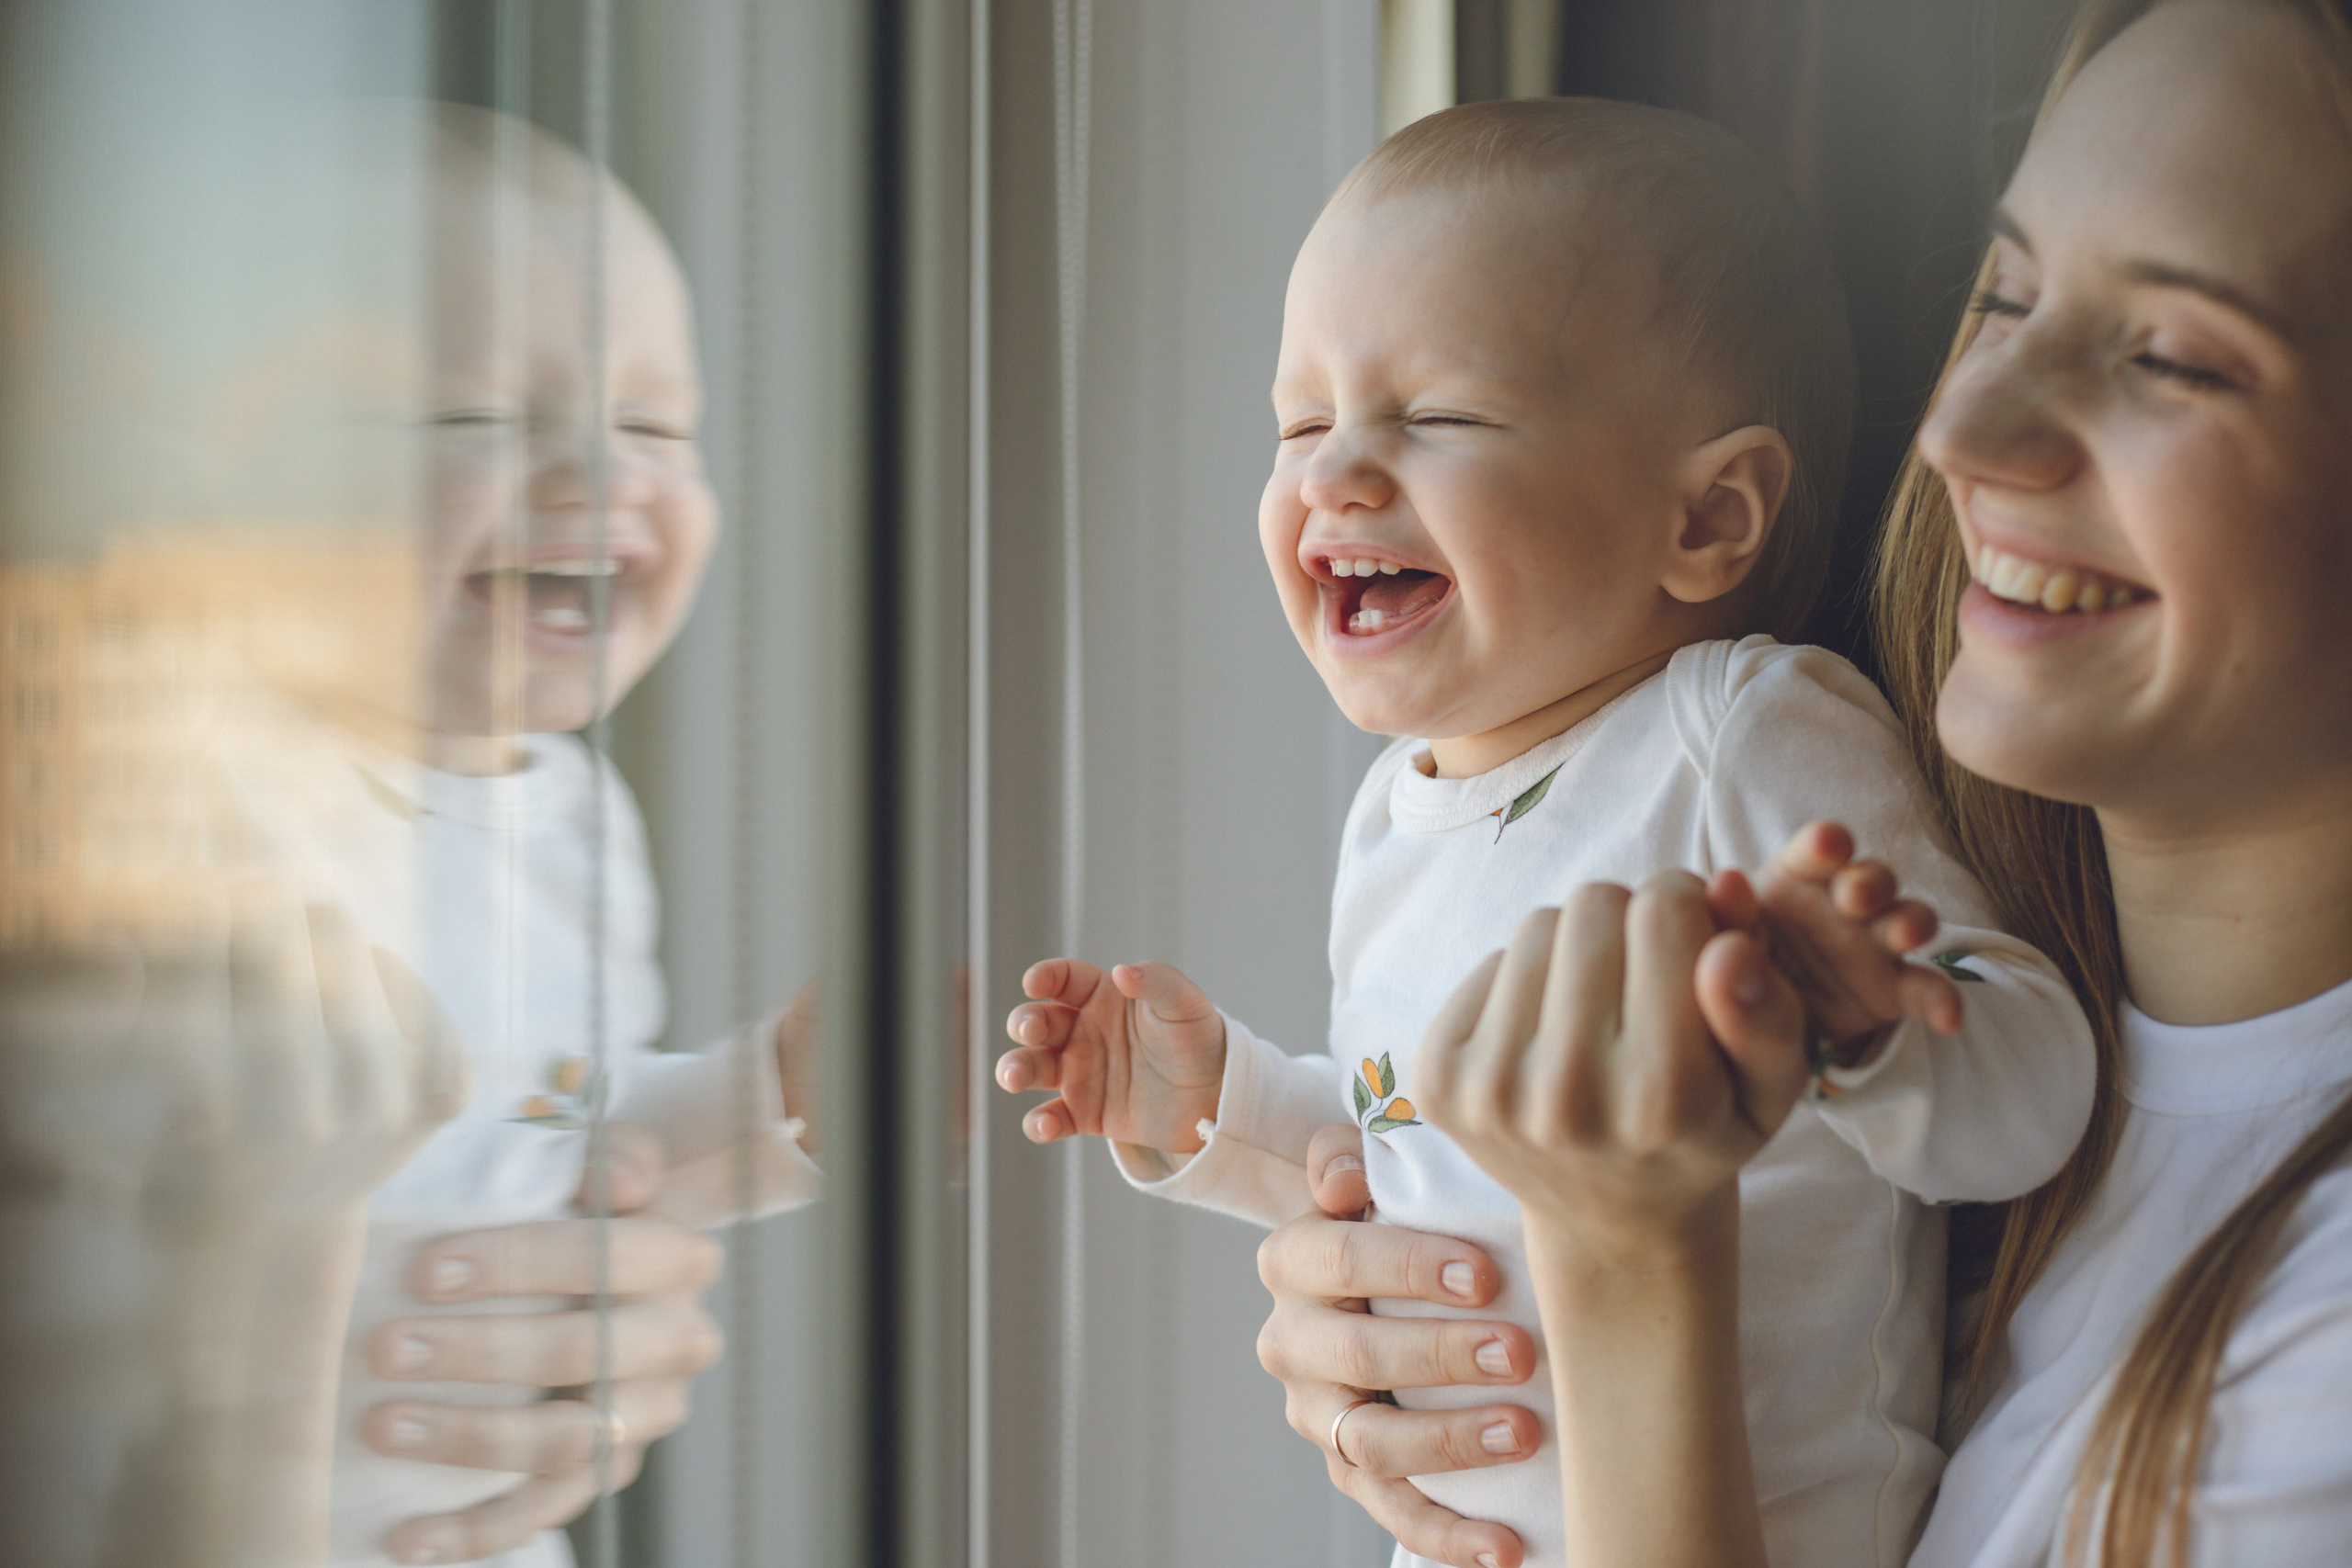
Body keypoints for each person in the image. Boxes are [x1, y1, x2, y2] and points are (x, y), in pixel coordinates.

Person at [1254, 2, 2352, 1565]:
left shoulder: (2320, 1370)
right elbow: (1392, 1120)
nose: (1960, 428)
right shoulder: (1969, 990)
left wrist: (1627, 1266)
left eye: (2170, 355)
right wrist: (1380, 1280)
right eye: (2008, 296)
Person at [996, 99, 2097, 1568]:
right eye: (1302, 422)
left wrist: (1872, 1021)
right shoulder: (1398, 813)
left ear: (1706, 521)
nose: (1334, 474)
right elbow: (1418, 1165)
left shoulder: (1740, 732)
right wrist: (1217, 1109)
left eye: (1437, 416)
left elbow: (2030, 1109)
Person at [172, 104, 824, 1567]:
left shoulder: (578, 820)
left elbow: (564, 1157)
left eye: (659, 426)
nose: (606, 479)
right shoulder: (206, 783)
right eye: (478, 418)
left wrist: (775, 1108)